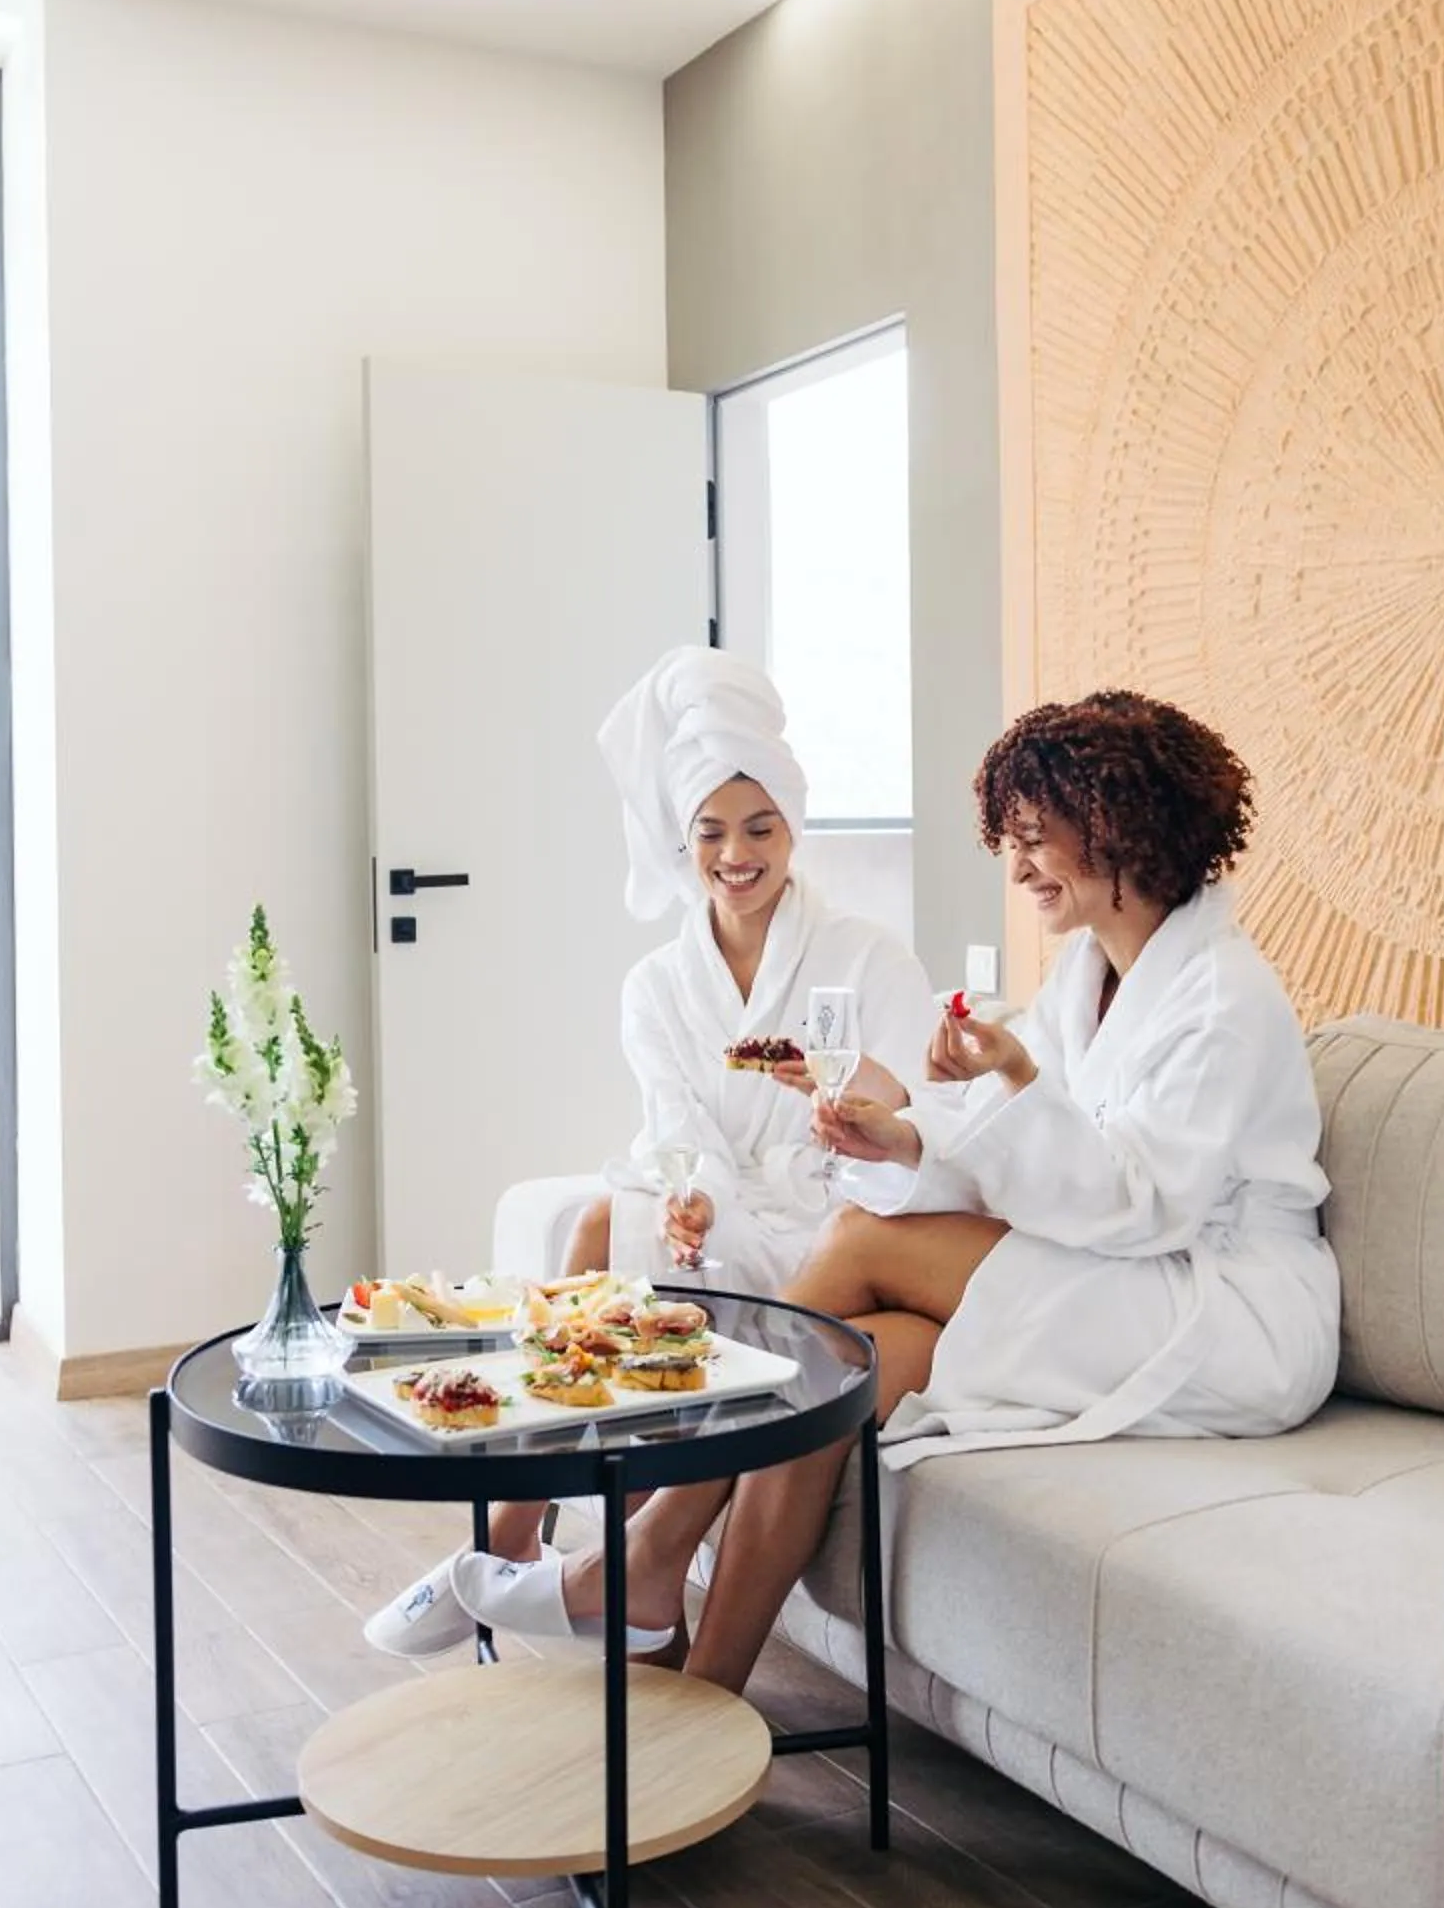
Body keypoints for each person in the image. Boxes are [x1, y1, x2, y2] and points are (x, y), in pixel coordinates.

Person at [444, 688, 1340, 1689]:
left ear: (1119, 828)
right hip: (1121, 1274)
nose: (1015, 866)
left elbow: (1142, 1205)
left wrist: (1011, 1083)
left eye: (1036, 840)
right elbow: (1010, 1153)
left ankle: (646, 1554)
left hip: (1223, 1311)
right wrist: (899, 1132)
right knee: (849, 1369)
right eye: (1010, 839)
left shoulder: (1220, 997)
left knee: (861, 1244)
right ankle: (697, 1696)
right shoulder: (1090, 973)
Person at [362, 644, 935, 1655]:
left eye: (760, 827)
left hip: (828, 1217)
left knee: (610, 1230)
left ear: (793, 826)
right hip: (719, 1206)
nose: (736, 853)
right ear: (680, 841)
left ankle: (539, 1561)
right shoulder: (657, 986)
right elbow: (677, 1129)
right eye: (710, 831)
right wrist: (694, 1198)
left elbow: (907, 1118)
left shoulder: (866, 957)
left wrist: (829, 1118)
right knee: (599, 1224)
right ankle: (511, 1537)